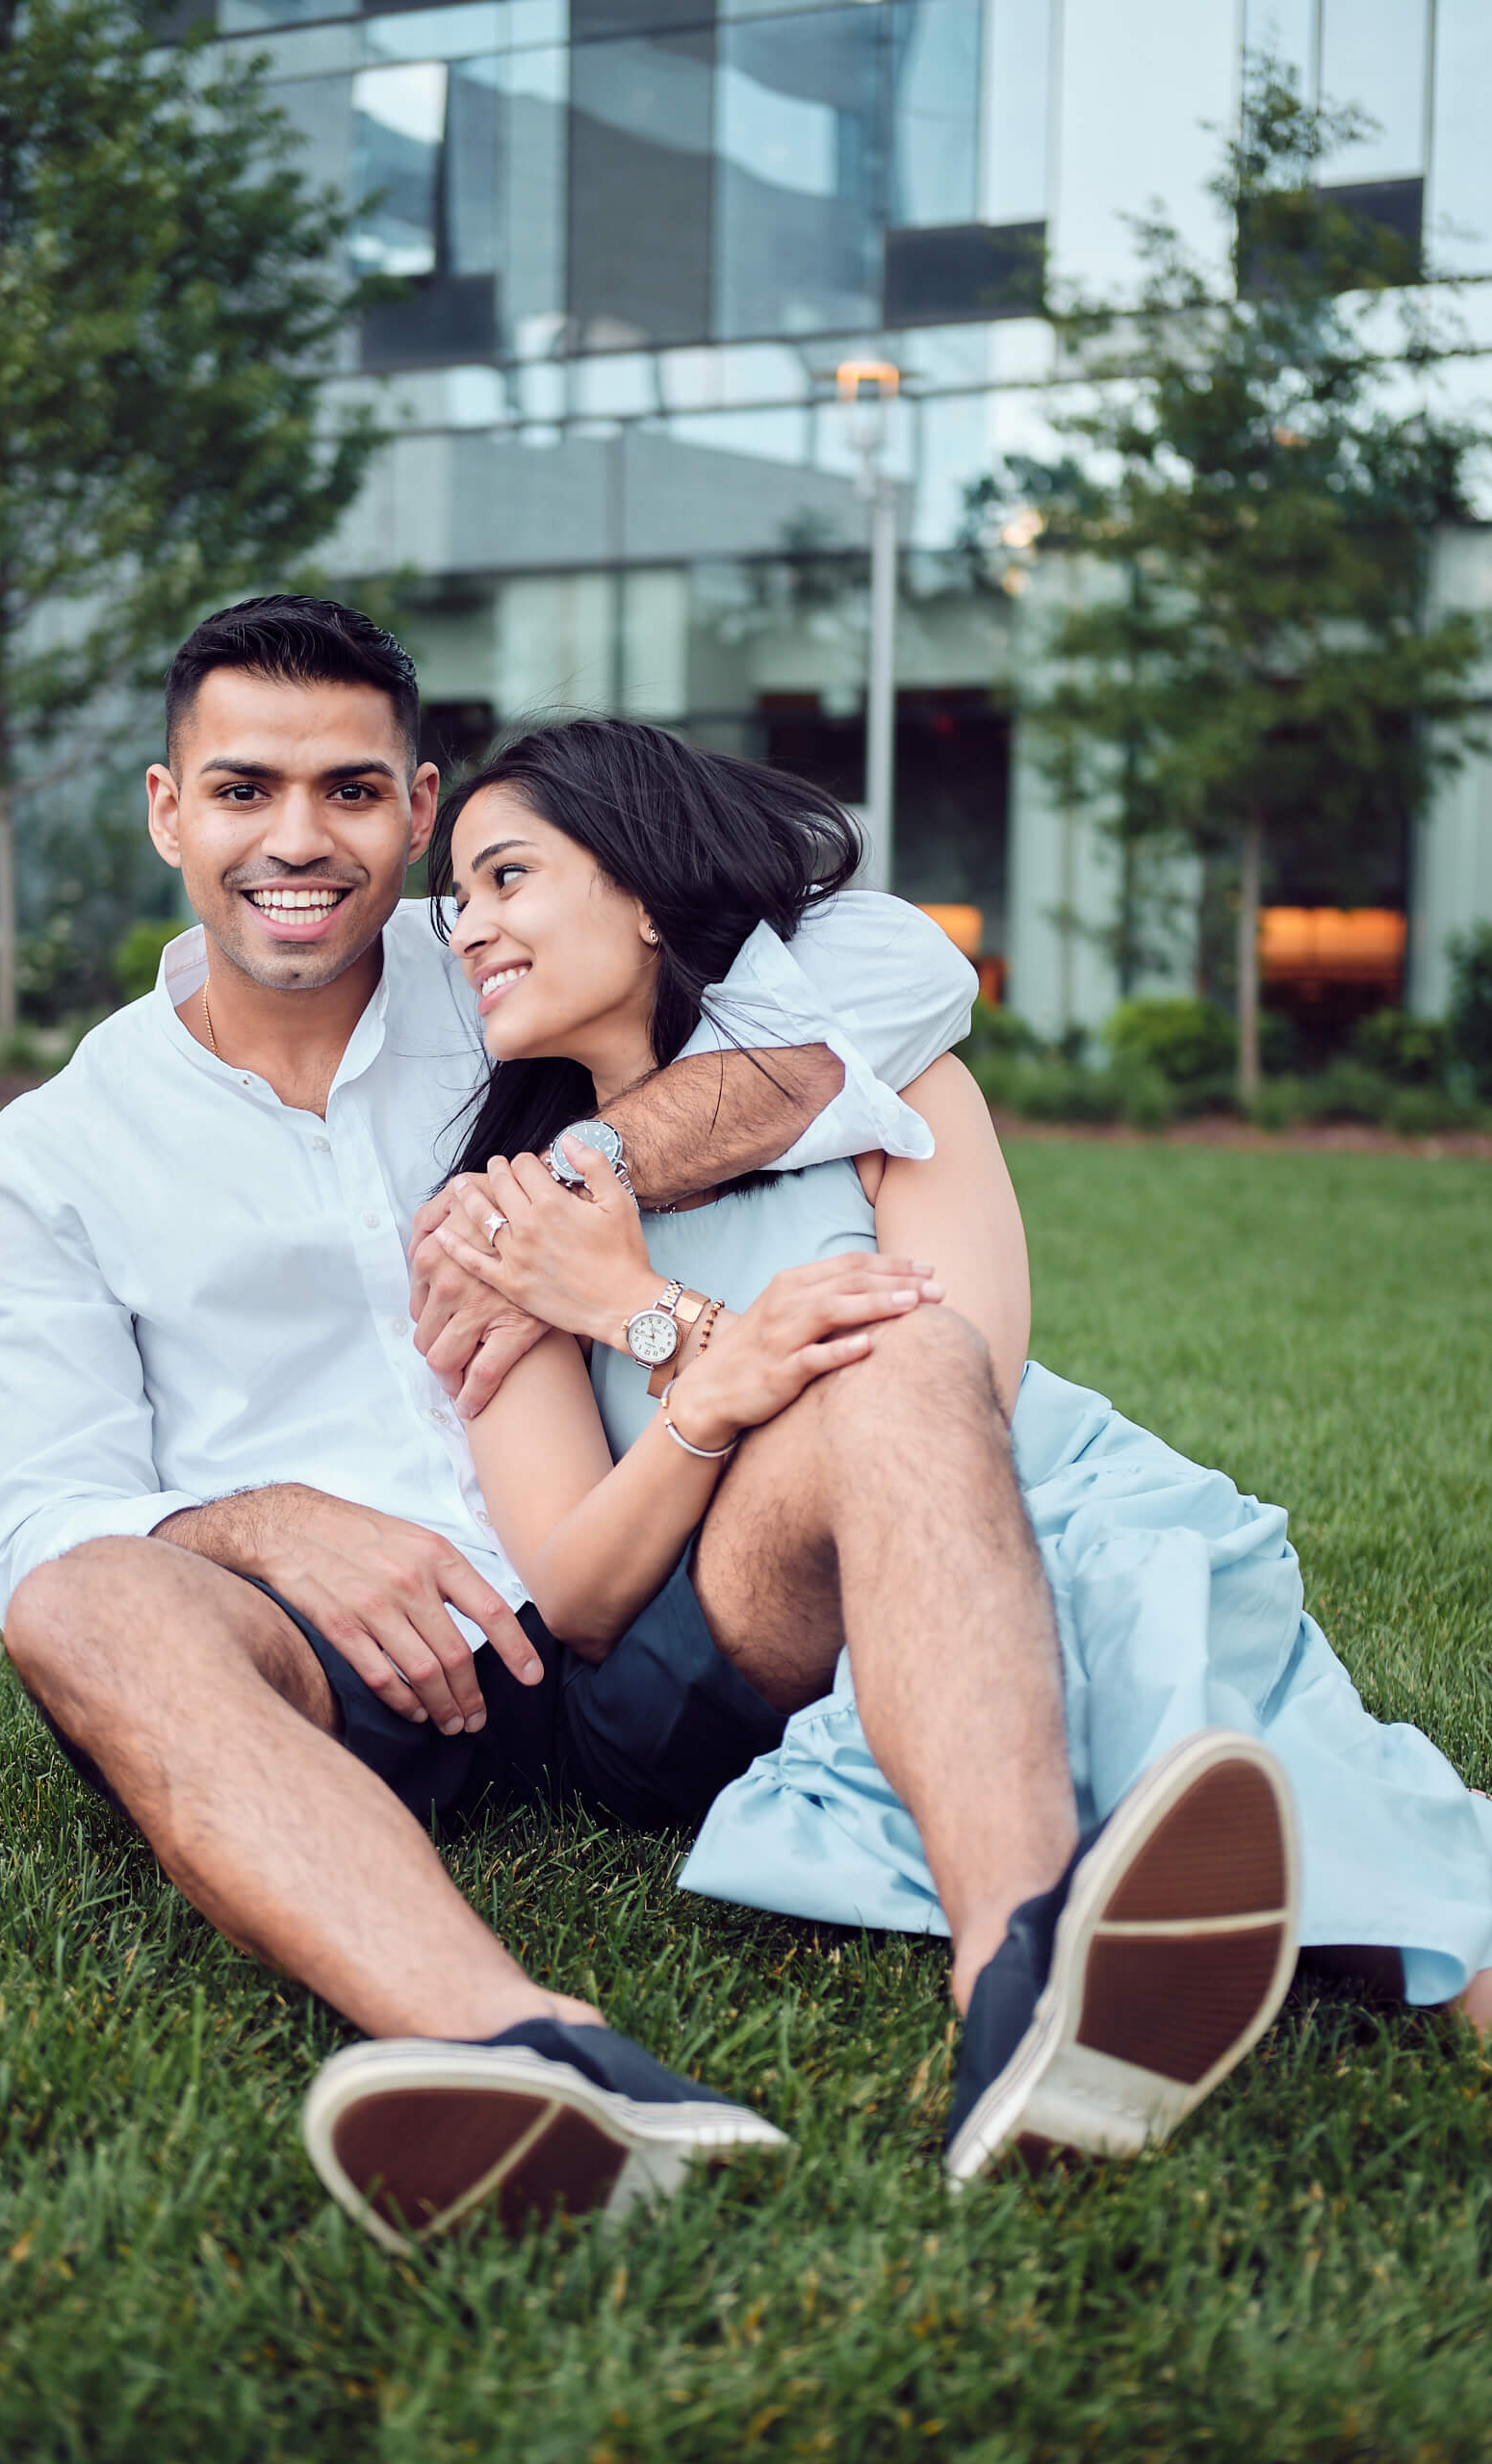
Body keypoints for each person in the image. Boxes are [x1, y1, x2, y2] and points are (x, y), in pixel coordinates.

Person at [0, 594, 1000, 2254]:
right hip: (348, 1670)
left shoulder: (507, 961)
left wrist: (580, 1174)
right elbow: (38, 1513)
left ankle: (1021, 1967)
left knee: (894, 1369)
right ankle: (525, 2050)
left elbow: (892, 963)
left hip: (671, 1577)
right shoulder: (53, 1153)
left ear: (421, 809)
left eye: (351, 792)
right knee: (86, 1600)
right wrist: (254, 1519)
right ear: (167, 810)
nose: (297, 840)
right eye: (241, 790)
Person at [417, 715, 1492, 2183]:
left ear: (648, 887)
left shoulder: (887, 1085)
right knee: (1115, 1609)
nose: (468, 926)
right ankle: (1018, 1964)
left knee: (1190, 1663)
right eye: (458, 898)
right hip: (741, 1603)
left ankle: (1202, 1955)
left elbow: (967, 1383)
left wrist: (647, 1306)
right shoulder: (506, 1228)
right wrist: (688, 1374)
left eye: (506, 877)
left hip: (1025, 1503)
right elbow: (582, 1594)